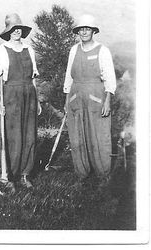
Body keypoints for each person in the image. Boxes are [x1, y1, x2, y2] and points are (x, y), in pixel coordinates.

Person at [0, 13, 41, 193]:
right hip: (11, 94)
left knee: (29, 135)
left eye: (18, 28)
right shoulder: (2, 49)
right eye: (12, 29)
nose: (16, 31)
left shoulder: (30, 49)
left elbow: (33, 77)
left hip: (29, 94)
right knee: (13, 136)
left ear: (22, 30)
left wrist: (38, 99)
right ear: (8, 31)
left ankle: (25, 174)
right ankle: (10, 175)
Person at [63, 14, 116, 179]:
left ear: (93, 31)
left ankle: (103, 171)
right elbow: (68, 77)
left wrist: (107, 100)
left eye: (87, 29)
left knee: (99, 134)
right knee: (77, 133)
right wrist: (67, 101)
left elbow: (110, 78)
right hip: (75, 95)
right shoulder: (74, 50)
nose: (84, 32)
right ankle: (82, 171)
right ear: (77, 32)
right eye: (81, 29)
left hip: (96, 97)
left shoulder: (103, 50)